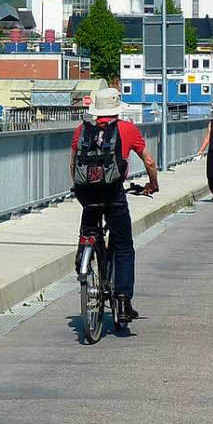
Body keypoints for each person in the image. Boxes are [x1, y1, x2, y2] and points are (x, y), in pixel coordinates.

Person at [70, 87, 159, 324]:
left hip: (86, 193)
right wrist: (152, 184)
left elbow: (73, 165)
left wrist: (80, 189)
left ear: (96, 111)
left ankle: (84, 259)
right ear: (116, 109)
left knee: (89, 230)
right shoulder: (127, 129)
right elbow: (149, 161)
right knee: (123, 245)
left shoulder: (82, 130)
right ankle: (122, 300)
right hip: (113, 192)